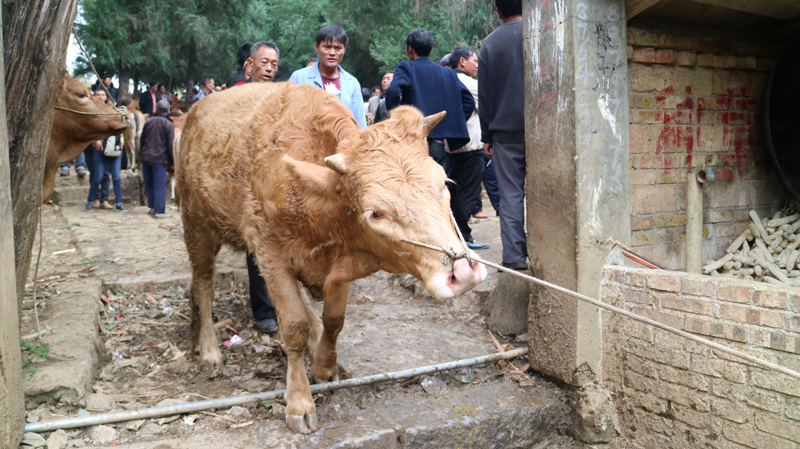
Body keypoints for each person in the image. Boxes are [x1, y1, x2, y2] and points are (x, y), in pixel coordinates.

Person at [384, 28, 475, 174]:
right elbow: (469, 102)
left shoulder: (407, 67)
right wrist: (448, 122)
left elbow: (393, 92)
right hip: (439, 145)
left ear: (409, 49)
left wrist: (396, 120)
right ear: (430, 49)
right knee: (439, 184)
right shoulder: (448, 72)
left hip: (413, 144)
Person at [479, 0, 526, 270]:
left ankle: (514, 257)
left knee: (510, 196)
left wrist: (487, 135)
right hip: (545, 132)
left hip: (505, 134)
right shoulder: (540, 33)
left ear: (498, 12)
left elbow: (484, 97)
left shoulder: (489, 44)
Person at [243, 40, 280, 334]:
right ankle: (264, 309)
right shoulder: (237, 98)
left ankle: (283, 302)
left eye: (274, 64)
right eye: (264, 62)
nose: (269, 69)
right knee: (257, 242)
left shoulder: (280, 98)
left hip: (276, 180)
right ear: (250, 64)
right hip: (247, 182)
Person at [441, 45, 490, 250]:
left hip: (450, 147)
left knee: (452, 193)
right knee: (468, 193)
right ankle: (463, 236)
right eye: (474, 60)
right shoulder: (471, 84)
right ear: (462, 61)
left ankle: (453, 234)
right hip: (471, 147)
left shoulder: (444, 82)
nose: (477, 65)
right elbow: (487, 109)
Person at [289, 25, 367, 129]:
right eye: (327, 47)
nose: (332, 53)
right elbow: (288, 118)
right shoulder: (299, 77)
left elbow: (360, 123)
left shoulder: (352, 83)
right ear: (317, 47)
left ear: (344, 49)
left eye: (338, 48)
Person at [86, 90, 125, 212]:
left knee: (116, 177)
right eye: (98, 95)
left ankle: (118, 202)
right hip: (99, 150)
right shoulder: (92, 112)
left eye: (103, 95)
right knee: (98, 177)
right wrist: (97, 140)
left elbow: (121, 130)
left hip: (113, 150)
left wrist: (121, 142)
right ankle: (91, 200)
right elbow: (91, 129)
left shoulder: (116, 113)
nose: (100, 97)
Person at [140, 100, 174, 218]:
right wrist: (172, 162)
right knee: (159, 185)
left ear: (156, 109)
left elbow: (142, 140)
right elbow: (170, 145)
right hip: (160, 158)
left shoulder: (148, 122)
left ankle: (152, 206)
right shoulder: (168, 124)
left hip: (146, 157)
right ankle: (159, 210)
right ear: (168, 111)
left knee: (149, 183)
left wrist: (142, 154)